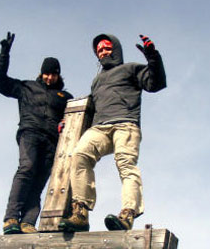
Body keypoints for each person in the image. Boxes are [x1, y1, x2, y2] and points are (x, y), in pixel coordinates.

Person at [59, 33, 166, 232]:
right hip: (100, 127)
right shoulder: (97, 81)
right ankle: (80, 212)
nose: (103, 52)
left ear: (115, 49)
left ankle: (127, 214)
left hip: (125, 124)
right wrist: (68, 120)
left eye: (106, 48)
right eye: (99, 50)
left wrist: (153, 58)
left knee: (125, 164)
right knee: (80, 154)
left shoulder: (131, 68)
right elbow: (91, 107)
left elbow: (155, 84)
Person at [0, 31, 73, 234]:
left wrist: (65, 122)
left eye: (53, 74)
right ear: (41, 72)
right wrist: (4, 54)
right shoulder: (26, 87)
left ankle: (27, 222)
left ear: (58, 74)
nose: (49, 77)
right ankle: (11, 218)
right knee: (27, 169)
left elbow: (75, 118)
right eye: (46, 73)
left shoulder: (65, 96)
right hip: (30, 134)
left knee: (38, 182)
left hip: (53, 141)